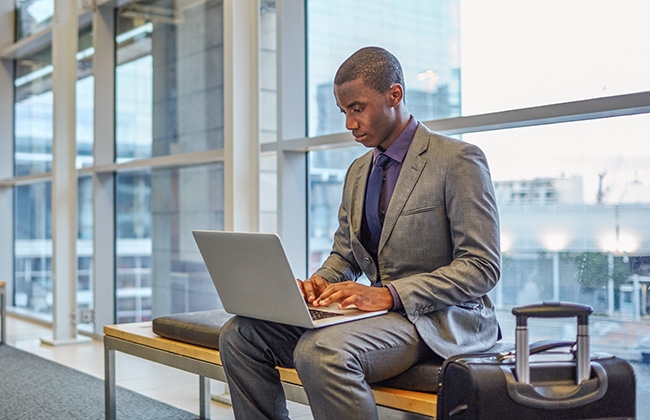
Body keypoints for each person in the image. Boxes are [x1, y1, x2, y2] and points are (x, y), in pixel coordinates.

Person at [219, 46, 501, 420]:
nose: (350, 123)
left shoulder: (458, 160)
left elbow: (481, 267)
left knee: (320, 350)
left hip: (440, 319)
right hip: (375, 317)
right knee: (240, 335)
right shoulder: (357, 172)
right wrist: (318, 285)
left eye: (357, 108)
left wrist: (388, 295)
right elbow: (345, 256)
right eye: (344, 112)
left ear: (394, 95)